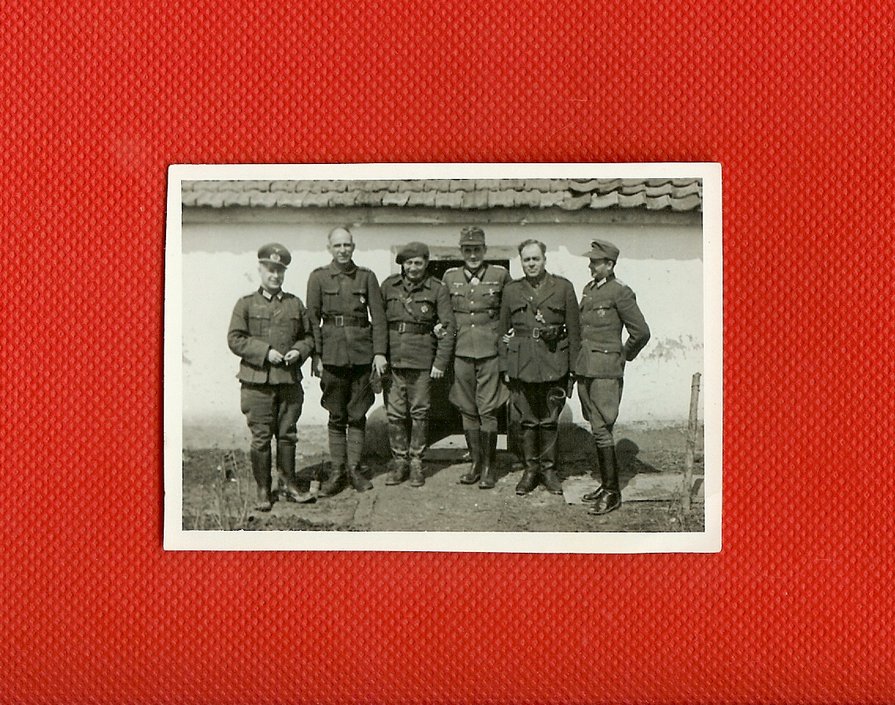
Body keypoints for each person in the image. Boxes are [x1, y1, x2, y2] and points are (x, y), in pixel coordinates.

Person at [227, 243, 316, 511]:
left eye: (280, 271)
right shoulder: (245, 304)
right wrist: (265, 352)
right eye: (270, 270)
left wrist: (299, 351)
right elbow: (235, 339)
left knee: (288, 435)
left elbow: (308, 337)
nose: (275, 275)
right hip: (257, 384)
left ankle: (289, 485)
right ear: (260, 270)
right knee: (261, 438)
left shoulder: (294, 304)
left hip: (288, 381)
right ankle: (264, 489)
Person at [306, 227, 388, 496]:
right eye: (337, 245)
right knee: (336, 413)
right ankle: (337, 471)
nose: (342, 250)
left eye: (347, 245)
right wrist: (316, 355)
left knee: (358, 412)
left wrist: (379, 353)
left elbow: (378, 318)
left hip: (362, 355)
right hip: (332, 355)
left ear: (353, 247)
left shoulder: (366, 277)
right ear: (329, 248)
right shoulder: (318, 277)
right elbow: (312, 320)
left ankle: (354, 469)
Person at [499, 239, 580, 495]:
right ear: (521, 262)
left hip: (554, 361)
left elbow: (575, 331)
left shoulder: (563, 288)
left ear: (545, 259)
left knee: (549, 420)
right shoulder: (512, 290)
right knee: (527, 420)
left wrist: (573, 369)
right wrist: (505, 366)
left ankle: (549, 471)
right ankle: (530, 470)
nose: (531, 264)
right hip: (522, 363)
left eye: (536, 259)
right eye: (527, 260)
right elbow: (502, 331)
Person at [575, 239, 650, 515]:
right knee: (596, 426)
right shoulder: (589, 290)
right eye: (591, 261)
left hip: (606, 370)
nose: (590, 266)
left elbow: (641, 332)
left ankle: (612, 491)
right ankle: (606, 485)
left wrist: (622, 355)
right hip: (586, 367)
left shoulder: (621, 292)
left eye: (595, 262)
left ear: (609, 264)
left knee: (602, 428)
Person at [379, 242, 456, 487]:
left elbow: (448, 328)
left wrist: (440, 362)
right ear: (402, 264)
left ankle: (416, 461)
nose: (413, 268)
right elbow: (379, 323)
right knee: (394, 413)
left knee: (420, 412)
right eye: (409, 263)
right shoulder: (388, 286)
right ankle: (399, 461)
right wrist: (379, 354)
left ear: (426, 263)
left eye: (418, 263)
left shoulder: (437, 289)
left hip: (422, 360)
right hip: (394, 360)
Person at [442, 226, 511, 489]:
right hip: (461, 352)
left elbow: (509, 311)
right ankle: (475, 464)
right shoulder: (450, 277)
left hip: (490, 351)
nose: (473, 255)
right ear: (461, 251)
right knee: (467, 408)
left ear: (485, 250)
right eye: (468, 250)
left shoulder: (499, 275)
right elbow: (447, 316)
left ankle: (489, 468)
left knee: (488, 409)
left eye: (477, 250)